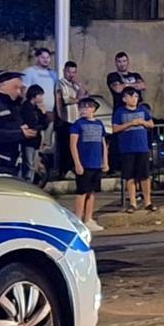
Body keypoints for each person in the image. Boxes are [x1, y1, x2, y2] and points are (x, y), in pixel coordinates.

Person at [113, 86, 158, 212]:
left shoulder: (143, 110)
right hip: (127, 149)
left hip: (142, 147)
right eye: (130, 96)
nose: (133, 99)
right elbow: (115, 128)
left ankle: (148, 201)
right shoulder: (119, 112)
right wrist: (130, 124)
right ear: (124, 99)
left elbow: (151, 124)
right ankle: (133, 203)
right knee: (130, 177)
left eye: (136, 96)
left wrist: (142, 122)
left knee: (144, 176)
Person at [70, 97, 108, 231]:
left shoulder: (99, 124)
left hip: (96, 163)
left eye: (87, 107)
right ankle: (78, 219)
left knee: (91, 192)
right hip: (84, 163)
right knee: (81, 192)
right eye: (81, 107)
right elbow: (73, 145)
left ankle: (88, 218)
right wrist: (77, 163)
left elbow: (103, 144)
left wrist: (105, 161)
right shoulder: (77, 124)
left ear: (94, 109)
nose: (84, 110)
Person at [55, 60, 88, 178]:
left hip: (76, 119)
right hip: (66, 120)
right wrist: (78, 99)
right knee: (66, 147)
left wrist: (80, 85)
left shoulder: (75, 85)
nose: (71, 75)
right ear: (64, 71)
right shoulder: (60, 83)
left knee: (77, 146)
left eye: (74, 72)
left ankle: (75, 167)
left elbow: (85, 96)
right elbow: (66, 99)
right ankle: (64, 170)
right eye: (69, 72)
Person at [20, 84, 50, 184]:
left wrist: (44, 113)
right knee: (29, 164)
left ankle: (31, 182)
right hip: (28, 140)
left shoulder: (37, 109)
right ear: (34, 95)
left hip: (36, 140)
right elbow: (31, 124)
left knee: (33, 164)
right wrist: (38, 126)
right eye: (40, 95)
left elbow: (45, 124)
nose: (41, 98)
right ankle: (27, 182)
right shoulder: (26, 107)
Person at [23, 48, 57, 116]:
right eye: (43, 57)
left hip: (51, 110)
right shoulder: (29, 72)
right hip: (35, 111)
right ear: (37, 58)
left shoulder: (53, 74)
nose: (46, 60)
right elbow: (24, 91)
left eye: (48, 57)